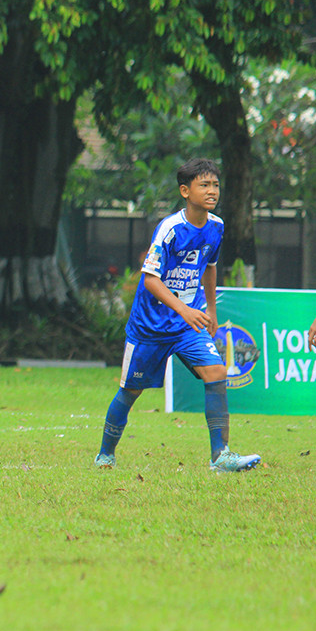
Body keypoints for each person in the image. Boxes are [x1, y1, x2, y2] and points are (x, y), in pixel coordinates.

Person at [94, 158, 260, 472]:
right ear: (185, 190)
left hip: (188, 322)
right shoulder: (170, 229)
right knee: (131, 390)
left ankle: (220, 457)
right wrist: (185, 309)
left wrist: (210, 310)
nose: (212, 191)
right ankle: (105, 454)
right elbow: (150, 279)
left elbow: (209, 268)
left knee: (216, 373)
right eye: (204, 185)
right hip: (150, 324)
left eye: (215, 185)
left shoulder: (217, 226)